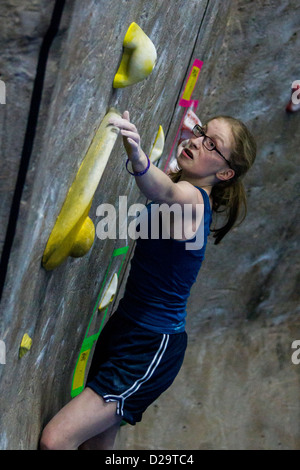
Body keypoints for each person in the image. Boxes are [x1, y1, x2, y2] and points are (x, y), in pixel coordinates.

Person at [40, 110, 256, 450]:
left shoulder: (194, 202)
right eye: (201, 133)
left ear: (225, 172)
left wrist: (136, 153)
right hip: (125, 326)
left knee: (56, 441)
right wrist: (189, 133)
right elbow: (168, 181)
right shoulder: (186, 186)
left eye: (212, 144)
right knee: (96, 446)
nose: (198, 142)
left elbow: (166, 192)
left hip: (151, 347)